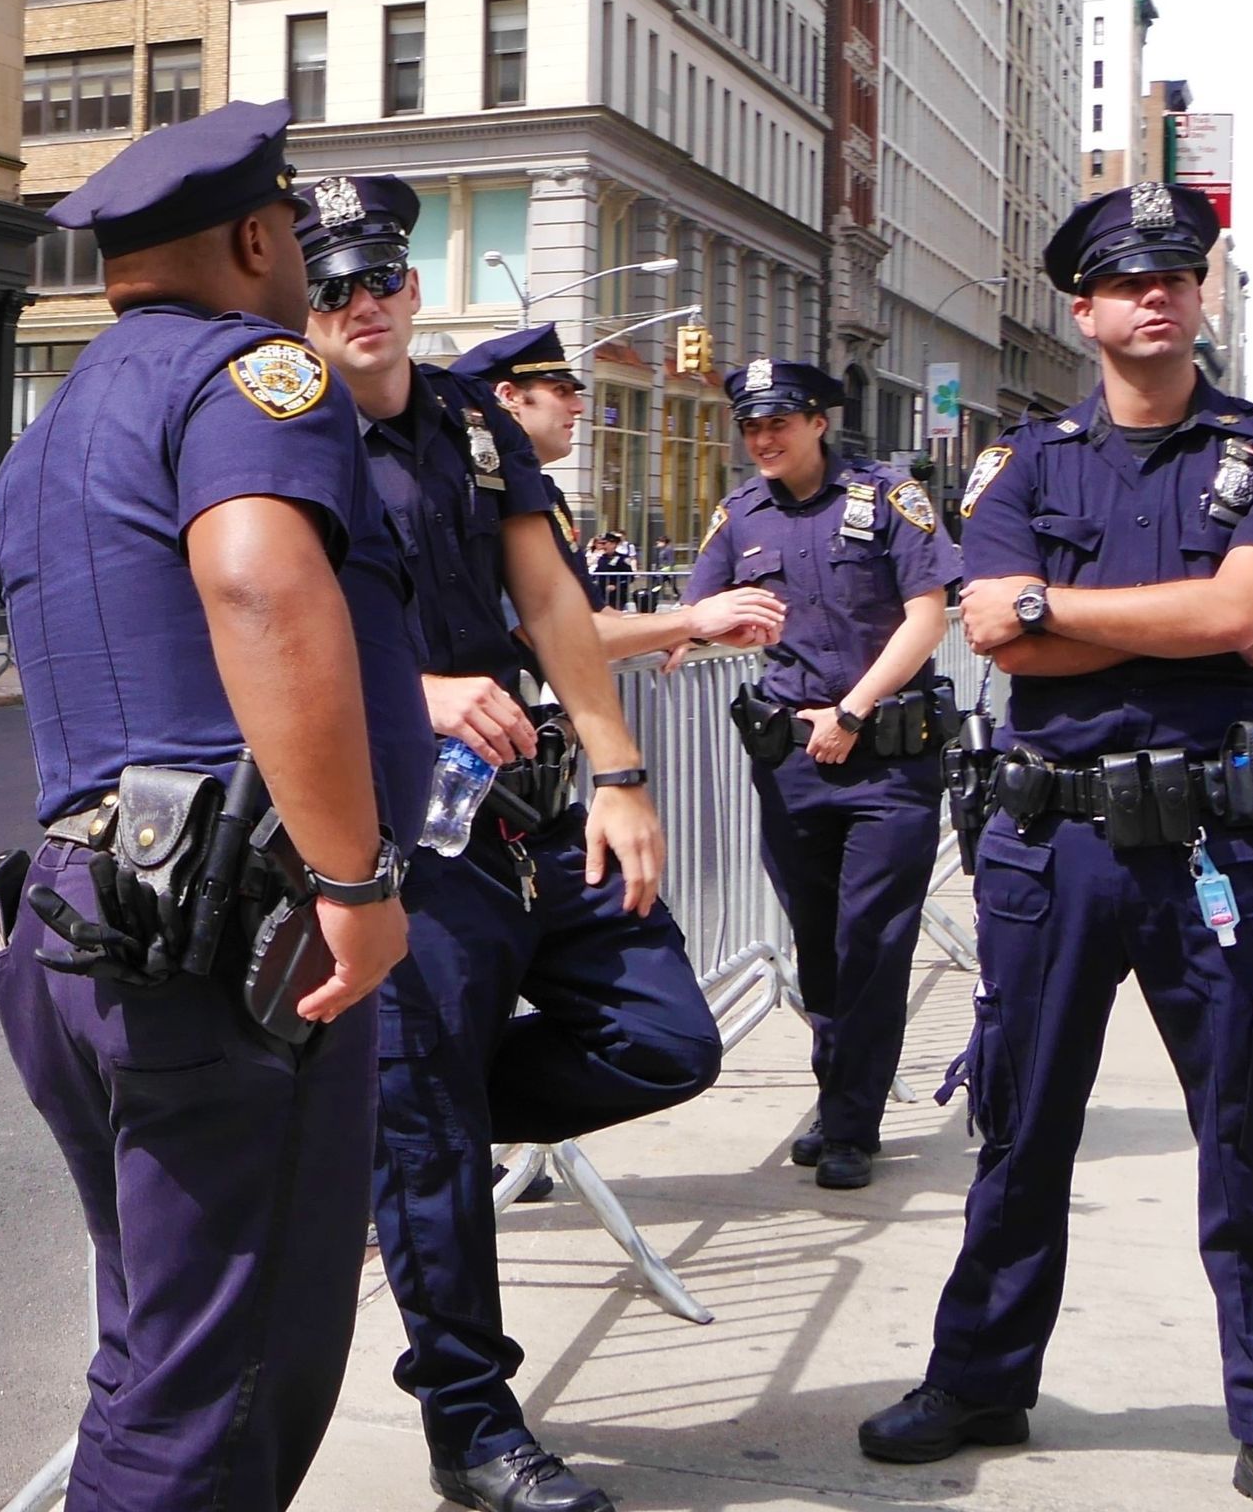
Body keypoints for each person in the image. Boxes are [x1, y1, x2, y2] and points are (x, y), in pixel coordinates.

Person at [0, 102, 433, 1512]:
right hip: (226, 950)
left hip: (82, 927)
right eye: (297, 232)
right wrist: (354, 886)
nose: (308, 257)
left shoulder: (51, 434)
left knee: (155, 1360)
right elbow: (254, 580)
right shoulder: (258, 379)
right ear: (254, 237)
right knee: (225, 1391)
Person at [298, 175, 724, 1512]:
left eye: (380, 282)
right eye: (331, 288)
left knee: (665, 1039)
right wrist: (410, 693)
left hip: (527, 821)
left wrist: (622, 772)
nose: (361, 307)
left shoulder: (476, 424)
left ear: (414, 291)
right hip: (400, 833)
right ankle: (475, 1431)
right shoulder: (275, 436)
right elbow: (251, 627)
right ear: (301, 309)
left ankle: (410, 1123)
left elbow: (550, 598)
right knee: (430, 1145)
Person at [857, 182, 1253, 1502]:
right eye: (1130, 280)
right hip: (1057, 847)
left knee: (1250, 1133)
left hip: (1217, 844)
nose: (1160, 295)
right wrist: (1164, 609)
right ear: (1082, 310)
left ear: (1200, 296)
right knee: (1021, 1128)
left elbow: (1245, 624)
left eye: (1180, 275)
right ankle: (981, 1383)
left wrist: (1063, 605)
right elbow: (991, 629)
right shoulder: (1025, 466)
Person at [683, 359, 959, 1188]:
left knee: (871, 939)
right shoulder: (740, 514)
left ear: (818, 423)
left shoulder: (887, 501)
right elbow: (703, 618)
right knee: (819, 944)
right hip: (793, 764)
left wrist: (855, 710)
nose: (763, 439)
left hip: (886, 761)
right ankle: (839, 1097)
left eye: (779, 422)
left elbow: (928, 616)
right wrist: (702, 633)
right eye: (753, 426)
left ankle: (850, 1125)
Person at [453, 322, 784, 661]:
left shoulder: (542, 493)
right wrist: (690, 621)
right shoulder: (474, 493)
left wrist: (689, 631)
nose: (578, 407)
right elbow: (559, 632)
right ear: (509, 396)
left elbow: (596, 618)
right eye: (561, 391)